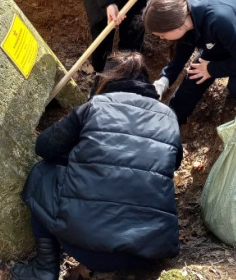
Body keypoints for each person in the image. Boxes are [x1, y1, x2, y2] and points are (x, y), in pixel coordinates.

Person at [13, 52, 182, 279]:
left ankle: (44, 268)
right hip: (147, 251)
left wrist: (78, 153)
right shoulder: (169, 117)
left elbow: (44, 147)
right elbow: (173, 163)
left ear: (107, 79)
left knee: (41, 173)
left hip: (88, 248)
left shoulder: (95, 106)